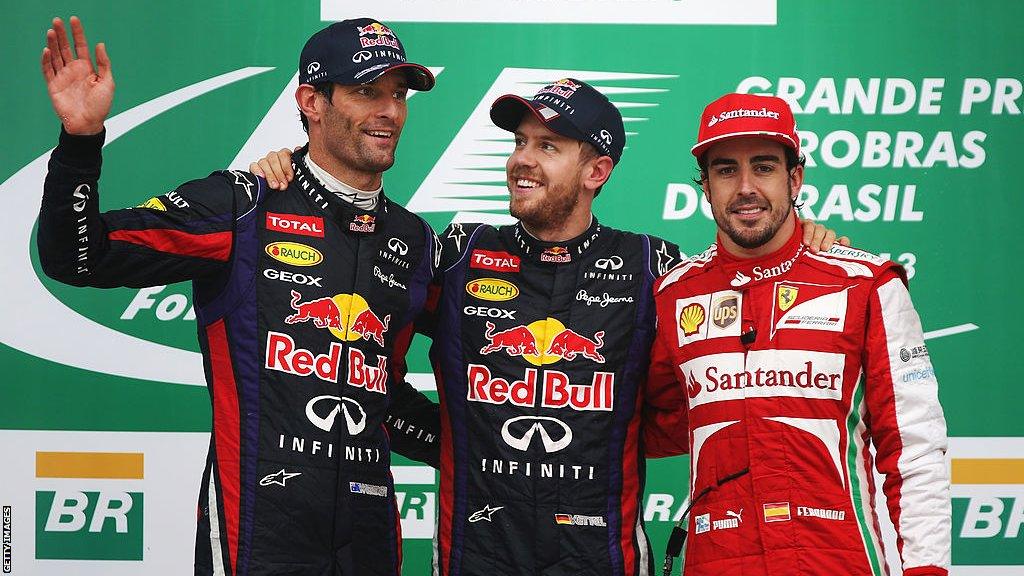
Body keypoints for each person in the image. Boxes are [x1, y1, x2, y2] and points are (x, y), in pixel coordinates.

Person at [253, 80, 844, 575]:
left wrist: (808, 240)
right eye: (520, 142)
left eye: (549, 146)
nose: (522, 160)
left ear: (597, 171)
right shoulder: (459, 254)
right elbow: (361, 354)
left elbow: (732, 358)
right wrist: (298, 179)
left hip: (600, 558)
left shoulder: (653, 267)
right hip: (475, 557)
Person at [37, 15, 441, 576]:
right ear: (311, 102)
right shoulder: (243, 206)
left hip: (369, 532)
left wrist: (478, 447)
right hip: (258, 521)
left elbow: (384, 401)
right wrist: (81, 142)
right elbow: (77, 257)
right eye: (366, 91)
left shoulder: (414, 241)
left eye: (398, 95)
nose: (390, 111)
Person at [645, 92, 950, 575]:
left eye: (763, 167)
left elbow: (914, 447)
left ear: (795, 178)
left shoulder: (866, 285)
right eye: (726, 170)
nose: (745, 187)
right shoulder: (670, 295)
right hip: (719, 562)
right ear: (704, 186)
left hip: (837, 559)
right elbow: (640, 428)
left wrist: (927, 570)